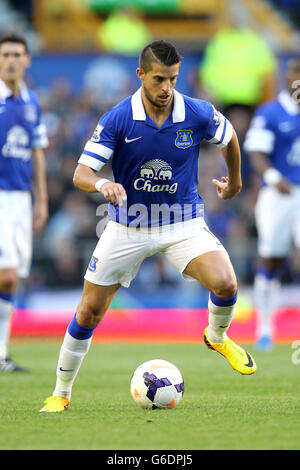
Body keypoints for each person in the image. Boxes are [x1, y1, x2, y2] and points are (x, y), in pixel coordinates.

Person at [40, 40, 256, 413]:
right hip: (128, 226)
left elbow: (230, 136)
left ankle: (217, 336)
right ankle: (61, 393)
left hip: (182, 223)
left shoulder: (197, 112)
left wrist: (234, 182)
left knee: (226, 284)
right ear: (141, 75)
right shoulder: (118, 118)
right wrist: (101, 184)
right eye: (158, 79)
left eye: (173, 79)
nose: (166, 88)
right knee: (89, 311)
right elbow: (80, 173)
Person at [244, 57, 300, 350]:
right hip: (279, 195)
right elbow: (256, 152)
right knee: (272, 258)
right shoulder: (270, 113)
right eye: (295, 72)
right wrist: (273, 176)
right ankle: (264, 329)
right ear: (287, 75)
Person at [0, 34, 48, 371]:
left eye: (18, 54)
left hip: (20, 198)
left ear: (28, 60)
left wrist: (41, 199)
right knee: (7, 273)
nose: (12, 61)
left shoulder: (31, 102)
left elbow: (37, 153)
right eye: (5, 55)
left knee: (12, 279)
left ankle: (1, 354)